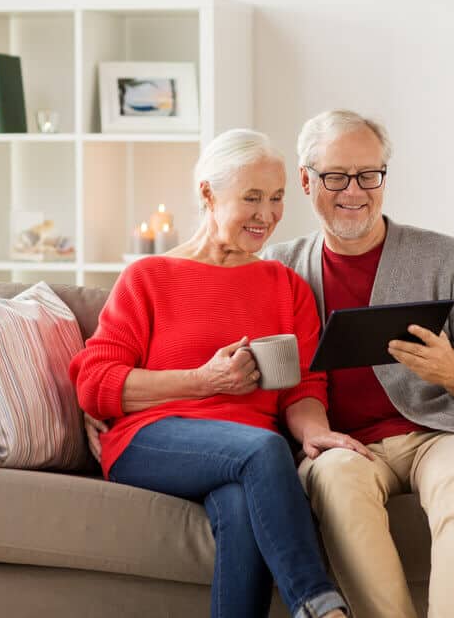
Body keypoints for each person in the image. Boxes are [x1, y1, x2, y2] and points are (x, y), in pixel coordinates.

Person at [70, 129, 367, 618]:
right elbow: (95, 383)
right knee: (263, 449)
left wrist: (317, 435)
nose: (267, 215)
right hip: (153, 440)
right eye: (251, 198)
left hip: (244, 456)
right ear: (208, 193)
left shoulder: (285, 287)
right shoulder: (148, 277)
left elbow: (305, 387)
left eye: (276, 199)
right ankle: (319, 605)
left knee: (241, 509)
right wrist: (205, 381)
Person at [260, 110, 454, 618]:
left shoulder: (445, 258)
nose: (353, 191)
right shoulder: (278, 267)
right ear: (305, 179)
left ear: (384, 176)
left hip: (443, 435)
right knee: (333, 480)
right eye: (335, 176)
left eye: (369, 175)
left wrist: (452, 371)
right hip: (343, 446)